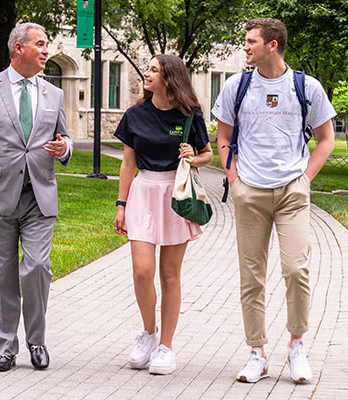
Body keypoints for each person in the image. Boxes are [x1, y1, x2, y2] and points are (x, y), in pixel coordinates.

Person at [212, 18, 335, 384]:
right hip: (250, 191)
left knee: (296, 270)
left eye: (251, 42)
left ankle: (297, 345)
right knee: (251, 277)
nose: (245, 47)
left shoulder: (305, 87)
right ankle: (257, 353)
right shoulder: (237, 85)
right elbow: (222, 136)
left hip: (291, 193)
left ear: (272, 45)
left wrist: (304, 179)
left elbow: (326, 138)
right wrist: (233, 177)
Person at [0, 22, 73, 372]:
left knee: (37, 267)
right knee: (0, 274)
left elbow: (65, 139)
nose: (46, 50)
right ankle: (5, 347)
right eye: (40, 44)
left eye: (47, 44)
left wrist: (63, 147)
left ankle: (36, 340)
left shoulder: (53, 94)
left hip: (39, 195)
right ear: (18, 48)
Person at [113, 54, 213, 375]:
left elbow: (208, 154)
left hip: (175, 195)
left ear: (169, 77)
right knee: (142, 271)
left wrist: (193, 157)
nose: (147, 73)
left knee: (169, 276)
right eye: (148, 68)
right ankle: (149, 332)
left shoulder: (190, 116)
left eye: (153, 69)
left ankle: (166, 346)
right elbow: (128, 164)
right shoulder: (135, 115)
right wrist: (121, 204)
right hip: (144, 191)